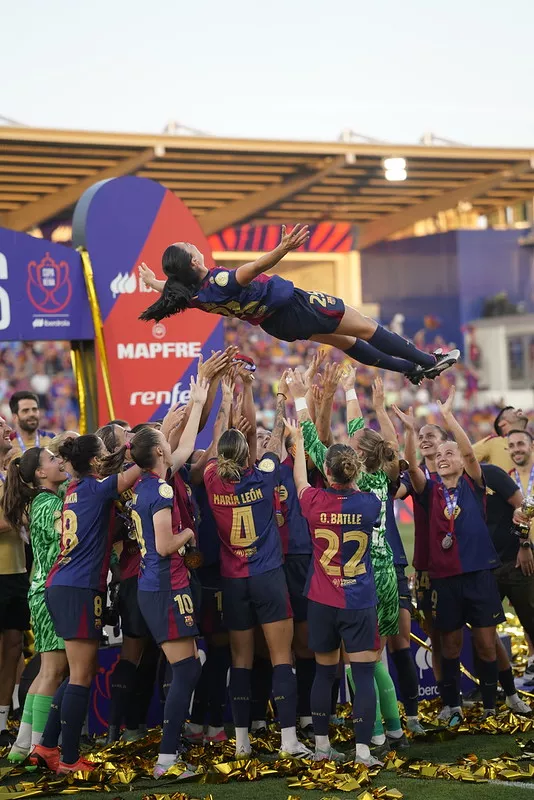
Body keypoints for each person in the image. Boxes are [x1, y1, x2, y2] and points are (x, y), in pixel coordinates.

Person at [137, 227, 459, 384]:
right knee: (365, 327)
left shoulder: (194, 295)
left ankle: (409, 370)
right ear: (194, 261)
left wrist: (154, 283)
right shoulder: (219, 281)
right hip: (295, 307)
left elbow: (173, 289)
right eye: (189, 246)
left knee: (346, 342)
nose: (193, 245)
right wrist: (283, 248)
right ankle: (428, 360)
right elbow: (251, 269)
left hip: (277, 324)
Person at [289, 367, 408, 751]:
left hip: (340, 587)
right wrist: (350, 391)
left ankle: (374, 734)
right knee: (374, 662)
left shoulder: (323, 496)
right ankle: (392, 731)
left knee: (351, 669)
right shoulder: (376, 488)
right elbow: (361, 430)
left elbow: (311, 443)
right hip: (380, 574)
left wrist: (301, 400)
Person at [203, 374, 311, 760]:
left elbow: (220, 438)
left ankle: (242, 742)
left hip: (234, 581)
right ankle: (288, 740)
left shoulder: (211, 480)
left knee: (241, 661)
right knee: (282, 658)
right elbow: (277, 434)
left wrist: (226, 406)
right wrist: (280, 398)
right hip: (268, 577)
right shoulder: (264, 475)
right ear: (247, 454)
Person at [30, 434, 142, 774]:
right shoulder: (96, 488)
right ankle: (68, 759)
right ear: (94, 461)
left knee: (78, 671)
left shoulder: (75, 489)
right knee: (81, 674)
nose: (108, 456)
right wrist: (142, 445)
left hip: (64, 584)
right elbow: (142, 465)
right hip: (78, 588)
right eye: (104, 452)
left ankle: (46, 746)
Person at [400, 387, 505, 726]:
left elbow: (470, 454)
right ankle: (452, 705)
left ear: (462, 459)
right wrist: (409, 431)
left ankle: (490, 706)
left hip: (479, 574)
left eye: (450, 452)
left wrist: (447, 417)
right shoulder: (429, 489)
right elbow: (412, 468)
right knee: (449, 646)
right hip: (444, 579)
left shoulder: (473, 484)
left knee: (486, 644)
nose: (444, 457)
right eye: (440, 454)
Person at [289, 421, 381, 766]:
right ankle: (363, 752)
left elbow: (300, 481)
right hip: (359, 599)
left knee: (324, 674)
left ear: (326, 473)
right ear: (354, 470)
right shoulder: (370, 503)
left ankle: (322, 747)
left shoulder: (314, 500)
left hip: (322, 600)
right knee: (363, 676)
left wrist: (299, 442)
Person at [129, 426, 203, 778]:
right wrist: (188, 532)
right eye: (164, 440)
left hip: (161, 585)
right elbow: (163, 546)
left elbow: (184, 446)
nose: (170, 445)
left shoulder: (145, 483)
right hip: (165, 586)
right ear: (159, 451)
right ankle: (167, 758)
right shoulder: (160, 489)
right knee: (186, 669)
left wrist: (199, 401)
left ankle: (171, 749)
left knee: (189, 666)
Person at [3, 447, 69, 761]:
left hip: (40, 590)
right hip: (51, 592)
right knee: (53, 672)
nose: (60, 461)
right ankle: (40, 750)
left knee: (46, 672)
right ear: (40, 473)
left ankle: (22, 747)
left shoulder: (40, 502)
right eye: (53, 459)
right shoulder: (49, 504)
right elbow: (66, 544)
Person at [394, 417, 448, 715]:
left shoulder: (459, 471)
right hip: (427, 565)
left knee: (482, 631)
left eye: (431, 435)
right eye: (421, 436)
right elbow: (397, 492)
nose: (425, 439)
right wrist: (408, 434)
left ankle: (500, 691)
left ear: (445, 442)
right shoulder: (415, 476)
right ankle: (447, 696)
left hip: (464, 564)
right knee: (435, 634)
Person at [0, 416, 30, 745]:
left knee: (13, 647)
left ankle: (2, 720)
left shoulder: (10, 475)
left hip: (18, 573)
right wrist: (17, 514)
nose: (8, 429)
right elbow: (15, 519)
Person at [502, 430, 534, 688]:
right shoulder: (508, 479)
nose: (516, 449)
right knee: (528, 611)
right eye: (511, 445)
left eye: (521, 443)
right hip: (525, 554)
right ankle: (532, 660)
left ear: (531, 445)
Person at [472, 406, 528, 473]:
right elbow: (465, 458)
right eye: (512, 411)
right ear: (502, 424)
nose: (519, 409)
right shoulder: (493, 442)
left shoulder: (531, 445)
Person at [8, 392, 55, 460]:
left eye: (34, 409)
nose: (31, 414)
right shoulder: (8, 444)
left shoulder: (52, 439)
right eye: (25, 411)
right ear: (15, 417)